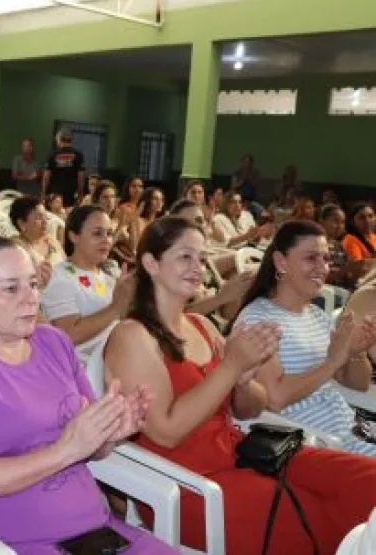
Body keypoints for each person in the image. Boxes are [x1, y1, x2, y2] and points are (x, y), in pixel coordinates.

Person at [105, 216, 376, 554]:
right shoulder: (132, 336)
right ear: (151, 263)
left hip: (243, 452)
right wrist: (232, 367)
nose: (198, 267)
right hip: (188, 480)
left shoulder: (202, 325)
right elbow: (165, 431)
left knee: (366, 482)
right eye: (185, 256)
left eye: (202, 258)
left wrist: (244, 382)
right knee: (320, 519)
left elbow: (248, 408)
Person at [0, 236, 174, 555]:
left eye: (33, 284)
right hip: (3, 542)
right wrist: (65, 450)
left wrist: (109, 433)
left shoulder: (53, 343)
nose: (30, 298)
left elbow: (90, 449)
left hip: (92, 534)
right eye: (11, 288)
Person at [233, 221, 376, 455]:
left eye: (326, 259)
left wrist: (356, 352)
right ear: (281, 262)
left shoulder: (318, 316)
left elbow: (357, 384)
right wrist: (332, 362)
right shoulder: (259, 320)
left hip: (352, 431)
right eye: (311, 258)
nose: (322, 268)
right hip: (317, 443)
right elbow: (274, 398)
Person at [42, 205, 133, 362]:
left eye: (109, 233)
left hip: (117, 358)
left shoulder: (109, 275)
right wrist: (115, 308)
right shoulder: (60, 277)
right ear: (74, 236)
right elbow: (68, 334)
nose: (107, 240)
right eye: (97, 233)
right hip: (85, 370)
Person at [167, 199, 252, 321]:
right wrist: (220, 297)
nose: (199, 226)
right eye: (190, 222)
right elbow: (180, 314)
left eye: (201, 221)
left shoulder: (202, 257)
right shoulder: (174, 263)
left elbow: (222, 289)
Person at [9, 196, 65, 272]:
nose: (45, 222)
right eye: (39, 217)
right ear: (22, 223)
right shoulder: (16, 248)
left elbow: (67, 267)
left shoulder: (51, 241)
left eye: (46, 217)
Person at [320, 204, 368, 288]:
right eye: (336, 221)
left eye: (342, 222)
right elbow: (320, 279)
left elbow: (350, 277)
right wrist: (347, 268)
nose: (340, 226)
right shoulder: (315, 246)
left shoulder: (339, 245)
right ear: (322, 221)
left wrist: (356, 270)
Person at [42, 131, 84, 207]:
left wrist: (44, 193)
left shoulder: (52, 155)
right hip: (71, 192)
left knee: (55, 215)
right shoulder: (78, 155)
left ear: (59, 139)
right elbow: (81, 177)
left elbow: (46, 177)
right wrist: (81, 193)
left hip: (55, 194)